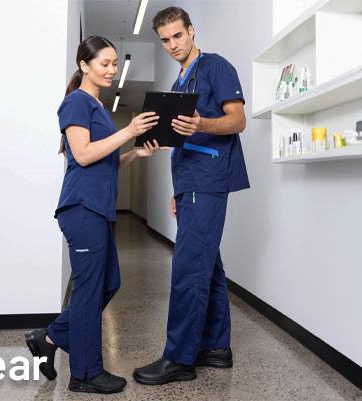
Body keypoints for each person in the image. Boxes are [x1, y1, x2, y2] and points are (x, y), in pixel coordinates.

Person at [25, 35, 160, 394]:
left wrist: (134, 153)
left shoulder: (98, 107)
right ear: (84, 65)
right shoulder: (75, 103)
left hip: (98, 210)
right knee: (87, 292)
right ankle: (85, 374)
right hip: (81, 208)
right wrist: (129, 130)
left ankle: (49, 338)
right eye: (105, 63)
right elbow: (83, 155)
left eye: (115, 64)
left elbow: (106, 160)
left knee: (108, 283)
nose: (112, 70)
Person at [133, 7, 249, 385]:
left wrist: (203, 123)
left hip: (209, 180)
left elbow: (237, 120)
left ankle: (179, 358)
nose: (171, 45)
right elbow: (181, 142)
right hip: (190, 185)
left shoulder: (216, 67)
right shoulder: (180, 81)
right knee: (208, 267)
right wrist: (176, 191)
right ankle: (216, 348)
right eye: (164, 39)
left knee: (187, 270)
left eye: (177, 36)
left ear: (191, 31)